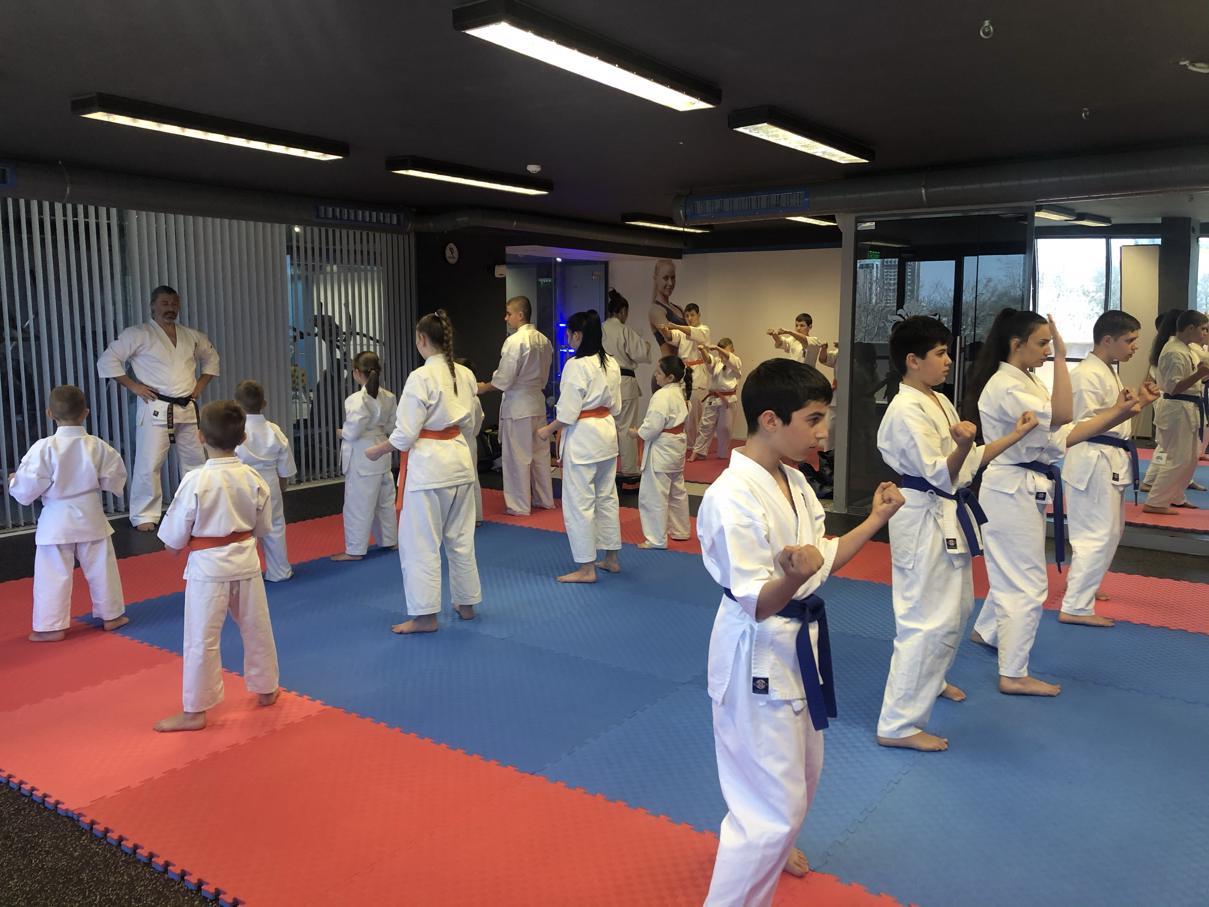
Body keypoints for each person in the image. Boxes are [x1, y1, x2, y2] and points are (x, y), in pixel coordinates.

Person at [698, 357, 905, 906]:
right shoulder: (730, 497)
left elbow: (822, 559)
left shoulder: (793, 479)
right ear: (770, 420)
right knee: (770, 811)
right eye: (813, 419)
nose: (823, 431)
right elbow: (756, 602)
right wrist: (790, 577)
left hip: (797, 648)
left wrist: (875, 520)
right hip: (757, 652)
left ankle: (776, 836)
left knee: (803, 778)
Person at [874, 318, 1040, 752]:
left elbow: (969, 462)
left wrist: (1015, 435)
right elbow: (942, 473)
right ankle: (897, 724)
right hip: (923, 513)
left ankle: (931, 681)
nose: (948, 361)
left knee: (957, 608)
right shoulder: (906, 410)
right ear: (913, 361)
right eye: (940, 353)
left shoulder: (939, 400)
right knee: (924, 620)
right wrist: (963, 445)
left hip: (948, 512)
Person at [964, 310, 1140, 696]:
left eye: (1049, 344)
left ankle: (988, 630)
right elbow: (1063, 414)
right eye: (1041, 343)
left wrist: (1118, 412)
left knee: (1012, 573)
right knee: (1027, 583)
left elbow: (1066, 434)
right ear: (1016, 345)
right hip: (1010, 489)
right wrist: (1062, 355)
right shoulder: (1007, 386)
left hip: (1021, 487)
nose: (1046, 350)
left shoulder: (1024, 381)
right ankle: (1013, 673)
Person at [154, 400, 280, 732]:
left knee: (201, 637)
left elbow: (173, 539)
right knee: (257, 627)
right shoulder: (253, 477)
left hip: (208, 570)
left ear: (199, 437)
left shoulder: (195, 481)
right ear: (243, 439)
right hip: (246, 562)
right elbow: (263, 527)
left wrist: (174, 546)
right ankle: (267, 688)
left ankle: (195, 712)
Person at [366, 311, 482, 633]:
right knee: (461, 538)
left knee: (421, 543)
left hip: (429, 468)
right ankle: (466, 603)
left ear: (421, 339)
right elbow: (471, 423)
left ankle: (425, 616)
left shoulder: (421, 377)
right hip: (460, 462)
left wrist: (378, 450)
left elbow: (405, 435)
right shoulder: (465, 374)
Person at [1060, 312, 1160, 625]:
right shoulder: (1086, 375)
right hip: (1093, 459)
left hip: (1108, 458)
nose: (1134, 347)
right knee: (1095, 534)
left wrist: (1140, 403)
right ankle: (1075, 606)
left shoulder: (1106, 371)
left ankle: (1082, 586)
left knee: (1110, 531)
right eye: (1129, 340)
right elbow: (1085, 425)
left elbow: (1113, 416)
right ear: (1107, 340)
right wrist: (1127, 409)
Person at [8, 385, 128, 642]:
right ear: (85, 413)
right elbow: (114, 479)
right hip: (91, 516)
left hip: (57, 521)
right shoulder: (98, 446)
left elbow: (27, 487)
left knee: (52, 574)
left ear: (49, 413)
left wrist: (14, 481)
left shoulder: (44, 448)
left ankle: (51, 627)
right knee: (103, 569)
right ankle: (112, 616)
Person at [97, 285, 220, 531]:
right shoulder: (138, 334)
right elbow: (108, 360)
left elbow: (211, 359)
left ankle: (197, 509)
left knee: (195, 461)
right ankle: (144, 515)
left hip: (187, 406)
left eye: (174, 304)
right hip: (155, 406)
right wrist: (134, 386)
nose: (170, 308)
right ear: (153, 306)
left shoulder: (191, 336)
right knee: (149, 462)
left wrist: (200, 386)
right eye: (165, 303)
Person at [536, 310, 622, 583]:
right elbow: (617, 407)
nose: (568, 339)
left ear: (578, 335)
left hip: (584, 438)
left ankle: (586, 568)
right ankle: (611, 558)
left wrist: (546, 430)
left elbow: (568, 413)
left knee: (579, 503)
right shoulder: (611, 363)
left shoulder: (576, 365)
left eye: (570, 334)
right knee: (606, 497)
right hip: (606, 434)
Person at [477, 296, 555, 516]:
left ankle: (519, 505)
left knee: (517, 457)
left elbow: (505, 378)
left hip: (518, 405)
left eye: (509, 313)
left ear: (520, 315)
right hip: (537, 403)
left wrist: (484, 387)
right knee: (539, 455)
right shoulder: (544, 341)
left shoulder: (515, 341)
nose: (506, 318)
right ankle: (544, 499)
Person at [332, 351, 398, 561]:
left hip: (362, 454)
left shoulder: (356, 400)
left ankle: (354, 550)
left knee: (357, 504)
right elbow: (392, 427)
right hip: (382, 449)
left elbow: (353, 432)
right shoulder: (389, 397)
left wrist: (341, 432)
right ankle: (390, 540)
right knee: (384, 501)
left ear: (356, 373)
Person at [1143, 309, 1209, 514]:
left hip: (1188, 407)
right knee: (1178, 458)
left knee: (1191, 457)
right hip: (1177, 407)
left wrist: (1199, 372)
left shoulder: (1185, 348)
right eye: (1203, 329)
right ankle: (1155, 502)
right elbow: (1173, 388)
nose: (1204, 333)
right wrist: (1199, 373)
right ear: (1190, 328)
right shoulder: (1174, 352)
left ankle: (1175, 496)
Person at [234, 380, 297, 582]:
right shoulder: (274, 430)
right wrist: (282, 484)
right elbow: (285, 461)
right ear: (264, 403)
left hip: (243, 483)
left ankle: (244, 576)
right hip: (270, 483)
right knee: (275, 526)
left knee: (243, 531)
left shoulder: (236, 431)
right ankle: (280, 571)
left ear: (237, 405)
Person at [631, 355, 691, 548]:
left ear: (670, 377)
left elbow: (653, 426)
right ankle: (681, 530)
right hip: (676, 445)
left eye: (659, 372)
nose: (655, 375)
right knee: (676, 491)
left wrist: (637, 433)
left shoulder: (662, 395)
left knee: (654, 495)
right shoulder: (679, 392)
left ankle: (656, 538)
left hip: (662, 449)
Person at [602, 288, 653, 482]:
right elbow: (641, 353)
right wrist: (646, 345)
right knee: (626, 428)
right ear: (623, 311)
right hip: (624, 381)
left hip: (603, 383)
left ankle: (604, 469)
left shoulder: (600, 329)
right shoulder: (624, 330)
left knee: (605, 426)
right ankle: (629, 470)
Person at [691, 339, 743, 462]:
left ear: (732, 350)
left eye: (724, 350)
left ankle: (722, 453)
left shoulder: (736, 362)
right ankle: (698, 452)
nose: (721, 353)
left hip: (728, 399)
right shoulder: (717, 361)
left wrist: (717, 348)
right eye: (720, 351)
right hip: (713, 397)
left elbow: (729, 358)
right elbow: (708, 360)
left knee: (725, 428)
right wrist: (702, 350)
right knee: (705, 425)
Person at [455, 357, 486, 527]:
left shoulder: (461, 398)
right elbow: (479, 420)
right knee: (472, 477)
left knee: (463, 479)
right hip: (469, 439)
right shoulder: (474, 398)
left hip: (460, 439)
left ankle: (466, 517)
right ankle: (476, 516)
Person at [768, 313, 836, 369]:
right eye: (796, 325)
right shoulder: (793, 339)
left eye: (802, 325)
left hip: (807, 375)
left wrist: (789, 332)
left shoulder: (814, 340)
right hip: (794, 373)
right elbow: (781, 342)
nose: (798, 328)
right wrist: (774, 334)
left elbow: (805, 341)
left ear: (810, 327)